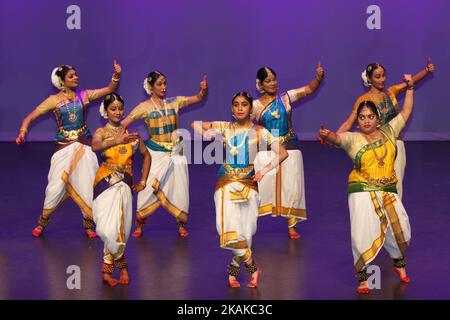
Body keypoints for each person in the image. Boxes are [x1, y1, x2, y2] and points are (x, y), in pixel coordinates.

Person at [318, 75, 415, 294]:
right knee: (364, 231)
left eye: (370, 116)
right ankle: (365, 279)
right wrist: (328, 135)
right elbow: (338, 139)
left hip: (388, 189)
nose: (366, 120)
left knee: (400, 228)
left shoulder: (390, 131)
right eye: (362, 117)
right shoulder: (354, 138)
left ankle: (398, 261)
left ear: (378, 118)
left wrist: (410, 88)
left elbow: (406, 112)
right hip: (361, 190)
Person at [192, 91, 289, 288]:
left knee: (245, 231)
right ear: (231, 108)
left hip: (249, 183)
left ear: (250, 109)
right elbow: (194, 124)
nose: (239, 108)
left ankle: (233, 272)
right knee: (226, 228)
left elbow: (282, 153)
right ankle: (253, 267)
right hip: (226, 181)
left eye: (244, 104)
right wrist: (207, 133)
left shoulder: (261, 131)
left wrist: (264, 170)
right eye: (235, 104)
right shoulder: (225, 127)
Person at [16, 60, 122, 237]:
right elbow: (30, 117)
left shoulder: (84, 95)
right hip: (63, 147)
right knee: (55, 185)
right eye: (71, 76)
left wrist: (116, 75)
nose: (76, 77)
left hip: (84, 144)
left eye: (76, 75)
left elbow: (109, 89)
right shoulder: (53, 100)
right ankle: (43, 221)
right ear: (62, 81)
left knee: (87, 183)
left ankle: (88, 224)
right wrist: (22, 131)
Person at [121, 71, 208, 238]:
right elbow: (124, 122)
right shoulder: (144, 107)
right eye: (159, 84)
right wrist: (117, 135)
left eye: (165, 83)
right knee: (147, 187)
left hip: (176, 151)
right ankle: (140, 223)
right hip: (155, 152)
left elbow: (197, 98)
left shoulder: (174, 102)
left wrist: (203, 90)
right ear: (151, 87)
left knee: (180, 187)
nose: (163, 87)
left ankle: (181, 223)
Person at [336, 59, 435, 199]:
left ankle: (395, 214)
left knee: (396, 182)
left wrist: (427, 70)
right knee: (376, 182)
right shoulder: (363, 100)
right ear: (369, 79)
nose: (382, 79)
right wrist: (333, 137)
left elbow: (410, 83)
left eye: (383, 75)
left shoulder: (391, 92)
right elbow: (349, 123)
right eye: (377, 76)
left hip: (395, 143)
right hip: (375, 147)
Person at [252, 63, 324, 239]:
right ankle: (250, 222)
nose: (273, 83)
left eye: (274, 79)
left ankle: (292, 226)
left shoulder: (286, 98)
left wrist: (318, 78)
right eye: (268, 81)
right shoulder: (254, 106)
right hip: (267, 149)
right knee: (261, 187)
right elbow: (248, 125)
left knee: (292, 186)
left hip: (290, 147)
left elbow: (308, 89)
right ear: (260, 84)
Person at [91, 93, 151, 286]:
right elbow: (95, 146)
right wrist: (118, 140)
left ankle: (109, 272)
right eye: (113, 109)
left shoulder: (133, 135)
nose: (117, 112)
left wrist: (142, 181)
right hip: (104, 184)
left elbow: (146, 155)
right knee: (106, 228)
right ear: (106, 112)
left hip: (124, 184)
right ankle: (122, 267)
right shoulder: (101, 131)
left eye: (120, 109)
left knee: (118, 229)